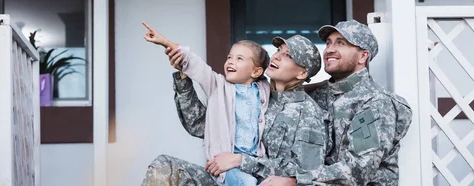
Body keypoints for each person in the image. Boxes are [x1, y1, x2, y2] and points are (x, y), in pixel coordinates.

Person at [172, 20, 413, 186]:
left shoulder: (374, 103)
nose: (330, 49)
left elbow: (358, 171)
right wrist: (184, 76)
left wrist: (293, 180)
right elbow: (205, 125)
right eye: (329, 42)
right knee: (168, 169)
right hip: (258, 180)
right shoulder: (309, 95)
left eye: (342, 43)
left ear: (363, 56)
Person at [141, 34, 329, 186]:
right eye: (279, 50)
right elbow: (200, 126)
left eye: (288, 55)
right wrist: (184, 78)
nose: (277, 56)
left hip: (255, 182)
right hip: (225, 177)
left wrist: (239, 160)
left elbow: (305, 174)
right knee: (165, 167)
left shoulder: (308, 113)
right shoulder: (256, 93)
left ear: (302, 73)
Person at [142, 21, 270, 186]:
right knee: (247, 182)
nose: (231, 61)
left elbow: (292, 88)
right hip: (224, 169)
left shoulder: (264, 89)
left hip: (252, 166)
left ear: (256, 71)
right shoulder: (218, 85)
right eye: (229, 57)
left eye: (239, 59)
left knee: (252, 180)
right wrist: (166, 43)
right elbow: (195, 64)